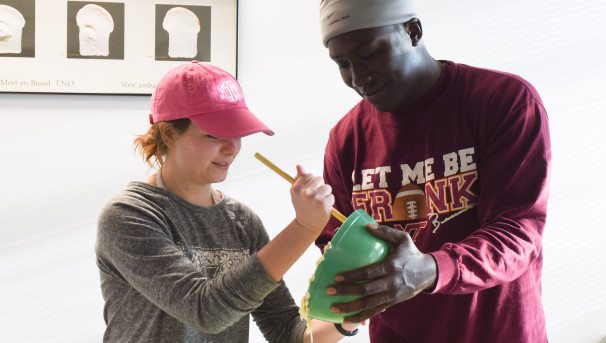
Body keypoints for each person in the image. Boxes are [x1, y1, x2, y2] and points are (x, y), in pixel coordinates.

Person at [315, 0, 551, 342]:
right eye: (343, 64)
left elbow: (519, 232)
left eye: (370, 53)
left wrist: (431, 269)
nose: (359, 77)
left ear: (413, 31)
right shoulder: (346, 139)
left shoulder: (503, 102)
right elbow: (338, 246)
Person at [95, 61, 361, 342]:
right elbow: (206, 311)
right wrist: (304, 228)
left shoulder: (242, 222)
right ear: (169, 133)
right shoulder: (128, 215)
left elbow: (287, 331)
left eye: (237, 133)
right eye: (213, 134)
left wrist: (349, 317)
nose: (231, 148)